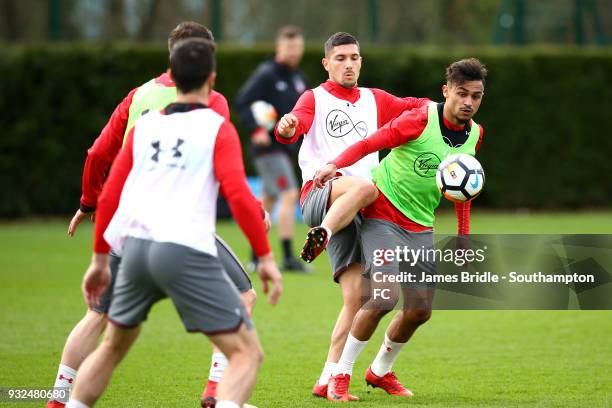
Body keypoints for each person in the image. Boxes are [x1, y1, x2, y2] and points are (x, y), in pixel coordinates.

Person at [47, 22, 262, 408]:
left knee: (102, 324)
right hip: (180, 233)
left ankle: (60, 397)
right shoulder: (215, 106)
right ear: (210, 68)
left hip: (128, 232)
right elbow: (231, 181)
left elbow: (99, 157)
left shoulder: (140, 100)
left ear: (172, 61)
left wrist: (87, 205)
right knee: (244, 298)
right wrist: (263, 246)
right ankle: (217, 391)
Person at [313, 58, 487, 401]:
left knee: (420, 310)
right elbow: (370, 144)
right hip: (382, 212)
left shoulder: (476, 135)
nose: (468, 102)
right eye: (462, 94)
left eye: (476, 96)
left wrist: (463, 237)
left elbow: (464, 190)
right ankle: (339, 376)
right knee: (383, 296)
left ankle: (379, 372)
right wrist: (335, 164)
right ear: (446, 91)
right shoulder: (420, 120)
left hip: (421, 224)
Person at [274, 32, 430, 400]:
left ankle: (327, 379)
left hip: (357, 210)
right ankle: (323, 234)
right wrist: (288, 127)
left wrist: (446, 106)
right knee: (365, 187)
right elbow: (295, 122)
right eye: (340, 58)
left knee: (358, 301)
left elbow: (419, 105)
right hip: (321, 196)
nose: (349, 64)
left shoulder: (376, 100)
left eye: (354, 57)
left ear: (361, 61)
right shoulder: (314, 97)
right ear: (327, 63)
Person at [234, 25, 309, 273]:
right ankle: (287, 257)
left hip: (286, 149)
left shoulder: (299, 79)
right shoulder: (266, 74)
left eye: (297, 47)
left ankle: (255, 257)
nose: (293, 52)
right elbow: (243, 101)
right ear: (279, 47)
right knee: (288, 194)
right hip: (268, 149)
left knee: (267, 200)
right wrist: (255, 128)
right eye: (288, 47)